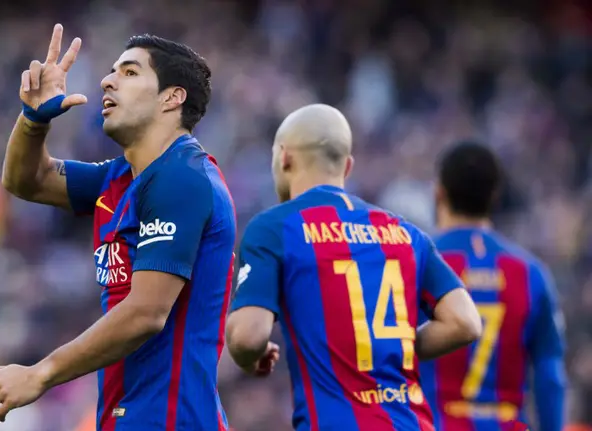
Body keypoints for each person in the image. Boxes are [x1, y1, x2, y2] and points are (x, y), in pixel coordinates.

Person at [0, 24, 236, 431]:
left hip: (171, 420)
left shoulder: (181, 177)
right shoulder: (119, 179)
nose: (107, 80)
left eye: (130, 73)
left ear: (172, 97)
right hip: (132, 416)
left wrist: (40, 373)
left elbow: (146, 313)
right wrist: (34, 119)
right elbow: (26, 180)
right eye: (113, 71)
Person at [225, 104, 482, 431]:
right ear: (347, 167)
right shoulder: (405, 232)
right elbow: (465, 323)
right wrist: (386, 349)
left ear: (284, 157)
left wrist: (250, 356)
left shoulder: (275, 227)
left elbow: (247, 337)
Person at [419, 141, 566, 431]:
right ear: (495, 195)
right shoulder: (531, 273)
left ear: (439, 193)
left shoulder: (419, 263)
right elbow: (550, 377)